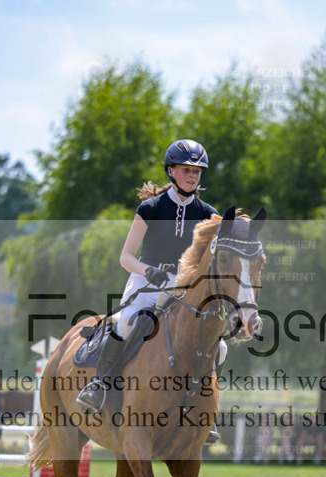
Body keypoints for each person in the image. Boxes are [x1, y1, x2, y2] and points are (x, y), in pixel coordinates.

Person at [76, 139, 226, 438]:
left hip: (184, 286)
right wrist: (149, 270)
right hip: (146, 280)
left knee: (219, 347)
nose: (192, 176)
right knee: (127, 322)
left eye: (197, 171)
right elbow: (125, 257)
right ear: (171, 171)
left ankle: (200, 405)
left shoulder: (209, 213)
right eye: (186, 170)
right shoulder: (151, 207)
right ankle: (99, 385)